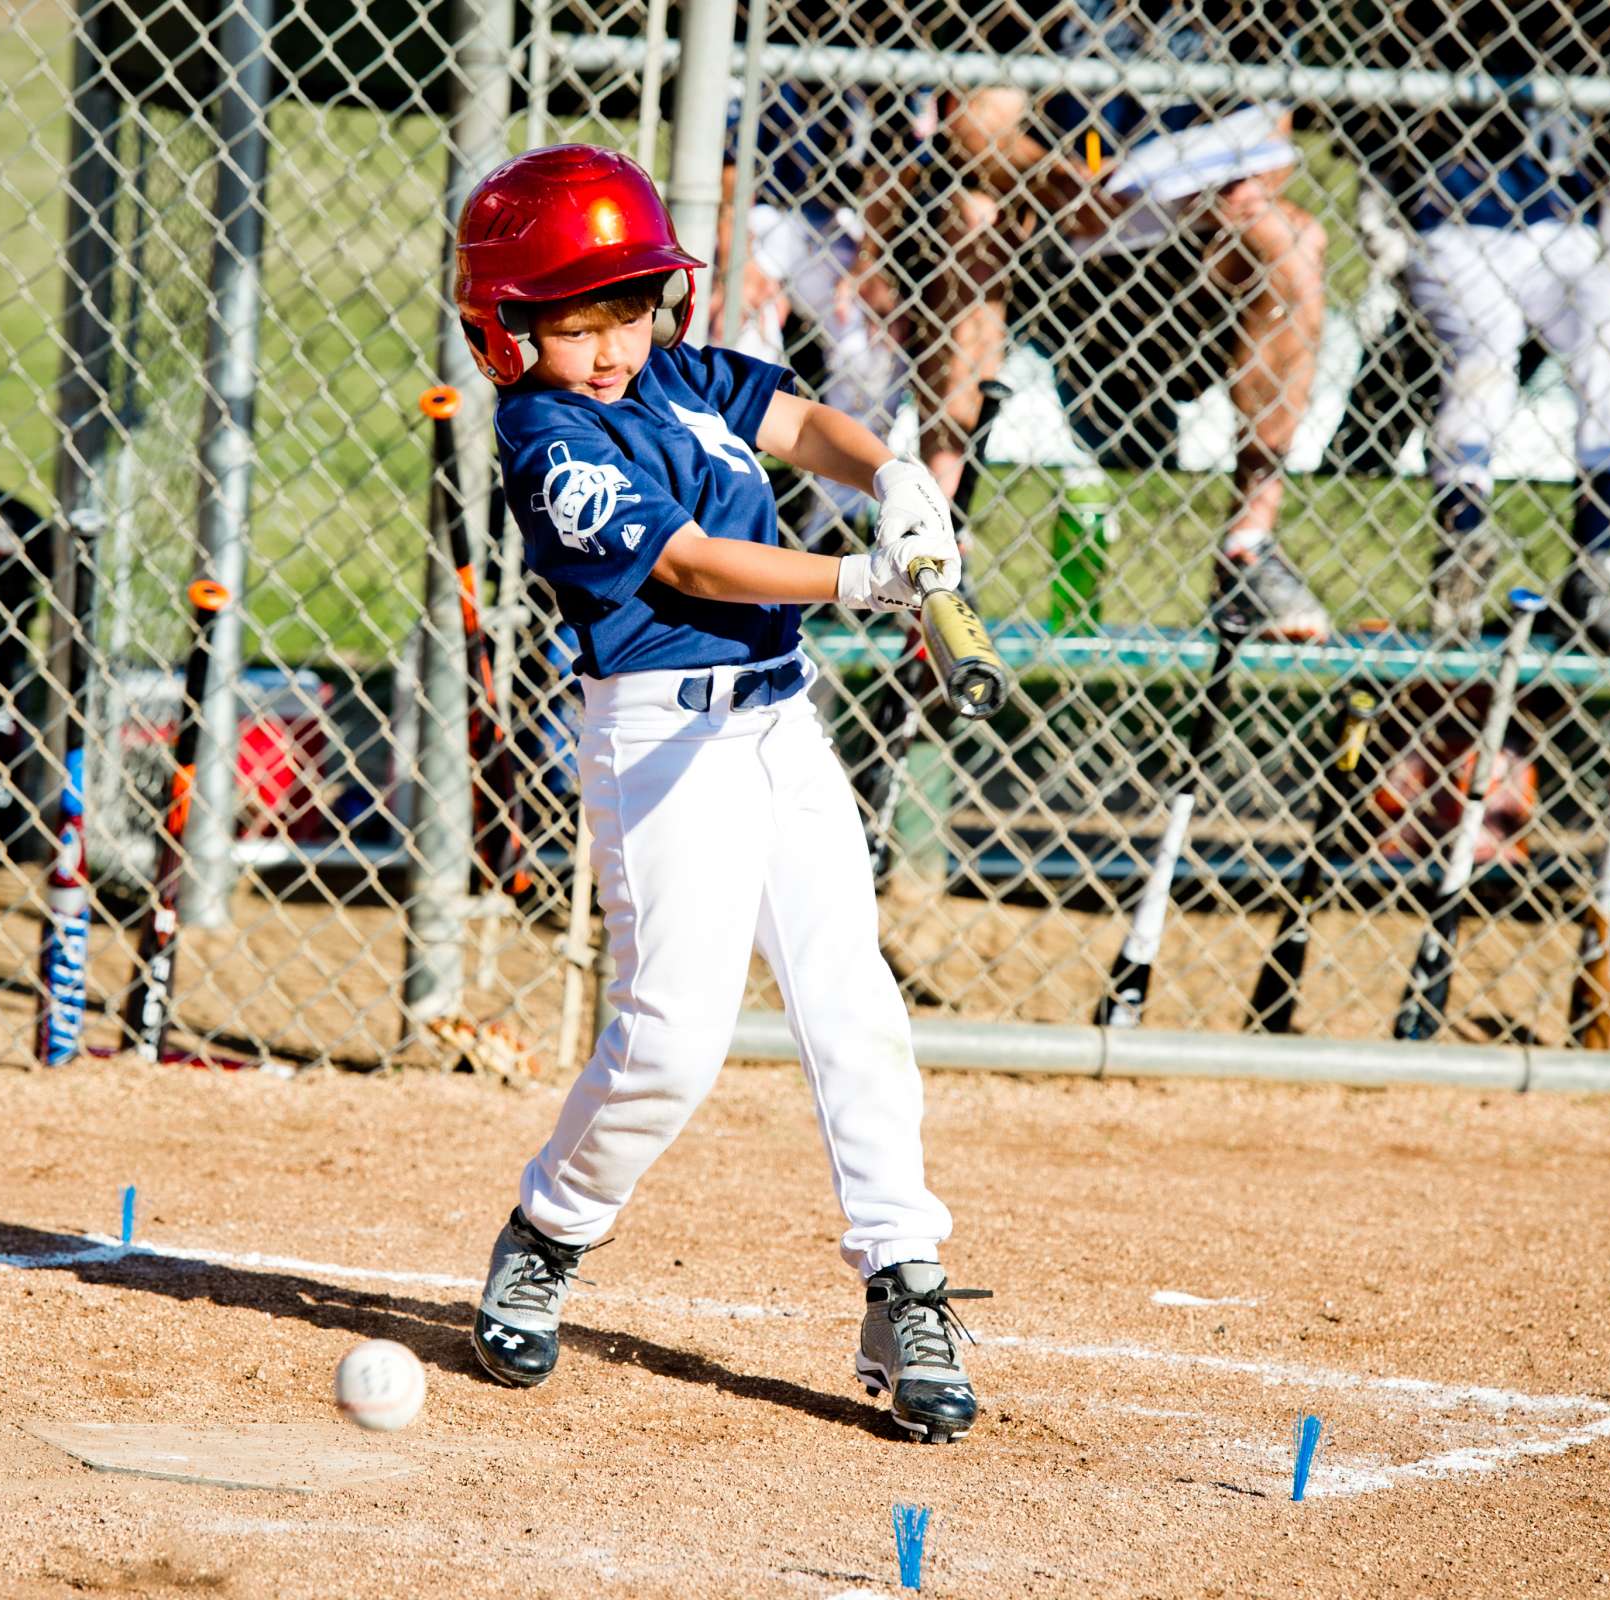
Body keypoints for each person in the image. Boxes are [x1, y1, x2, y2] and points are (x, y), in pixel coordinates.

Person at [454, 144, 992, 1445]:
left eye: (625, 313)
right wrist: (862, 583)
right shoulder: (545, 438)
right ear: (507, 330)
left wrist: (896, 479)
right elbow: (691, 567)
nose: (606, 348)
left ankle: (905, 1281)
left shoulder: (686, 377)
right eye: (572, 325)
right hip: (659, 748)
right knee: (671, 1041)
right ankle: (552, 1228)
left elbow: (802, 424)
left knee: (850, 1000)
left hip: (780, 728)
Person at [899, 0, 1333, 642]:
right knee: (973, 219)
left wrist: (1234, 188)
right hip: (1051, 233)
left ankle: (1250, 548)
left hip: (1185, 246)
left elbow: (1274, 138)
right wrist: (1049, 178)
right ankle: (934, 542)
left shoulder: (1246, 13)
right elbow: (974, 124)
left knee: (1292, 238)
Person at [1352, 1, 1610, 650]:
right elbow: (1373, 156)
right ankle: (1463, 538)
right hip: (1452, 228)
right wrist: (1395, 252)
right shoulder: (1427, 25)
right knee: (1485, 347)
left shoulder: (1597, 31)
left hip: (1560, 234)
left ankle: (1594, 560)